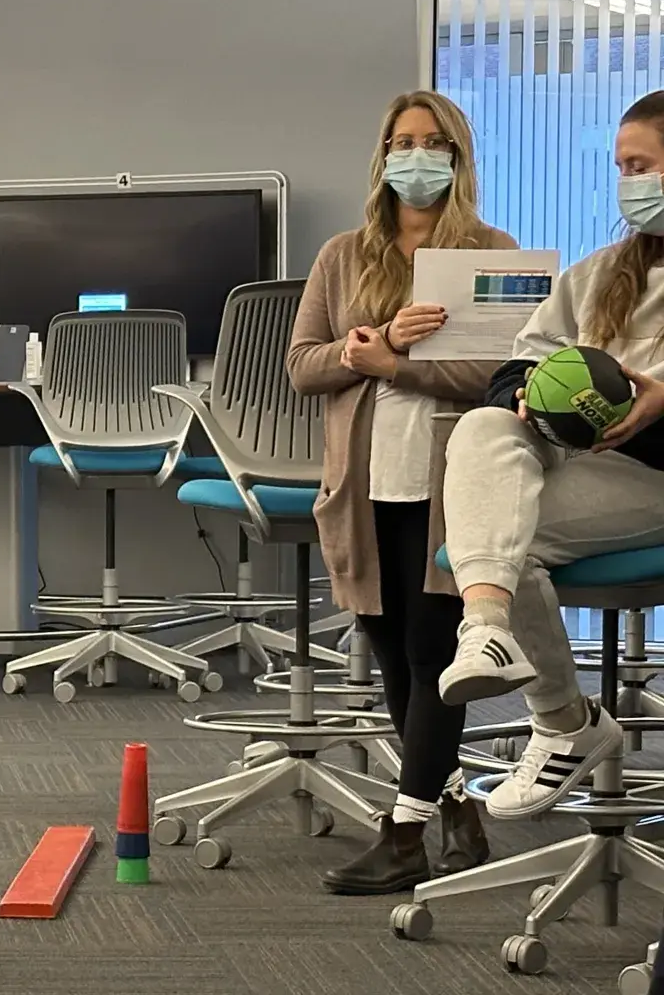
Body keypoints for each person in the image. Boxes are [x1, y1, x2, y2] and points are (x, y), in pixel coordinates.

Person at [286, 91, 511, 894]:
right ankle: (454, 805)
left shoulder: (491, 253)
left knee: (433, 656)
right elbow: (302, 365)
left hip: (450, 487)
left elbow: (497, 377)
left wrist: (400, 367)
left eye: (432, 143)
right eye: (402, 142)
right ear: (383, 157)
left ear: (456, 156)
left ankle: (404, 834)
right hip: (363, 486)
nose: (416, 157)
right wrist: (365, 351)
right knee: (390, 654)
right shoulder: (344, 254)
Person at [437, 89, 664, 819]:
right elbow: (515, 366)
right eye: (623, 166)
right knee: (480, 428)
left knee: (506, 539)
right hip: (579, 462)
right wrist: (528, 398)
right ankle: (488, 633)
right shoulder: (601, 274)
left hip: (653, 476)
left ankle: (565, 724)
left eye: (644, 165)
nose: (631, 182)